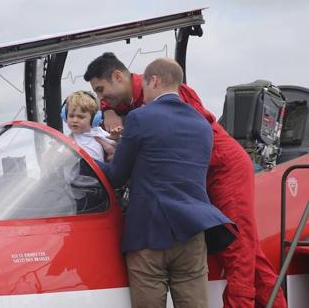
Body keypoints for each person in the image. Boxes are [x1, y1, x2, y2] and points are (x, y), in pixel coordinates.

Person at [84, 53, 287, 308]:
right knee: (247, 253)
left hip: (224, 167)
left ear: (120, 77)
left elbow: (184, 132)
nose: (102, 100)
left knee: (241, 252)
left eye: (102, 91)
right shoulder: (131, 106)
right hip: (201, 172)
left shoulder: (171, 94)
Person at [97, 58, 236, 308]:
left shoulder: (140, 118)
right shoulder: (202, 124)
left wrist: (89, 161)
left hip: (149, 233)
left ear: (154, 80)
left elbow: (117, 174)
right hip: (192, 234)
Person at [61, 90, 120, 162]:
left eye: (81, 117)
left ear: (94, 119)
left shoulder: (98, 133)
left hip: (94, 172)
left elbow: (117, 145)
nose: (75, 120)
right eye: (71, 116)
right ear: (65, 116)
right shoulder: (67, 139)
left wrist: (116, 138)